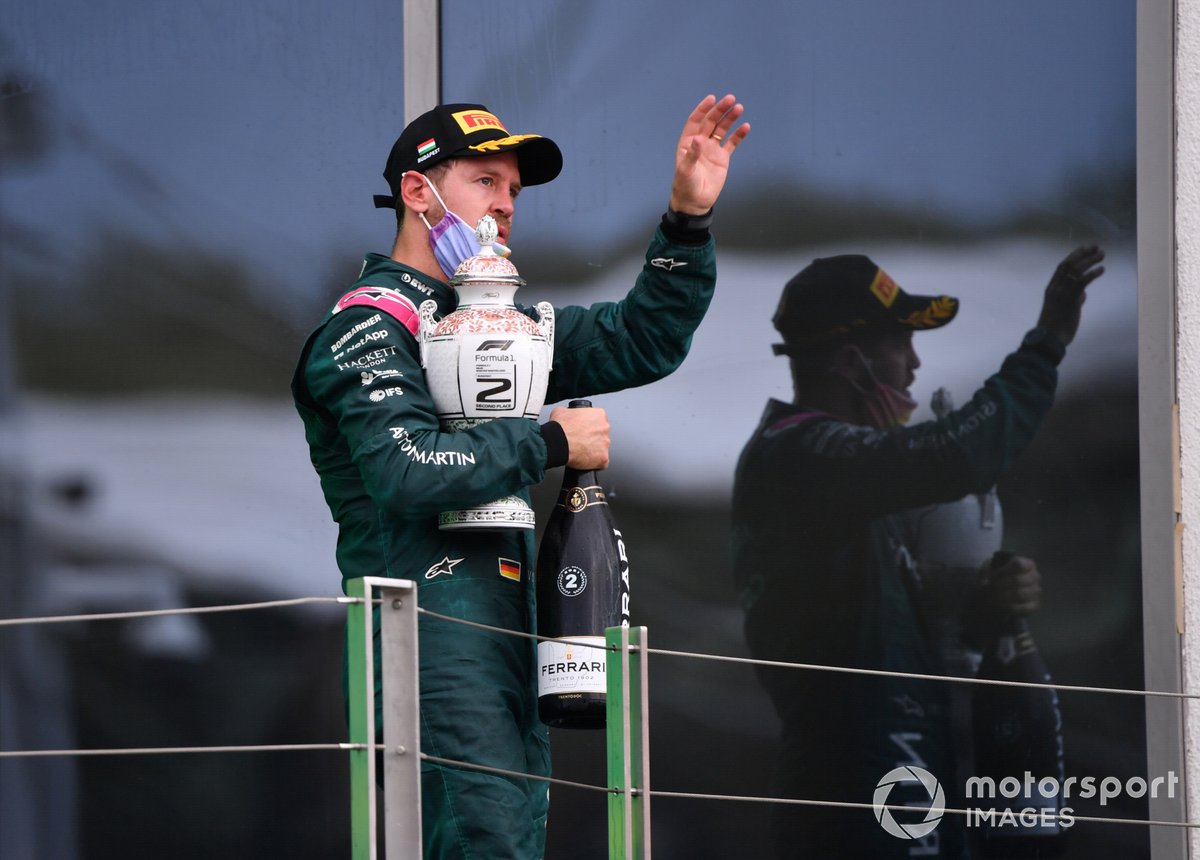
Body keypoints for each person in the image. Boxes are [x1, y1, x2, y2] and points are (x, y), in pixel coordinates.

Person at [292, 95, 749, 859]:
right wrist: (546, 443)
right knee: (483, 842)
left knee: (509, 836)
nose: (505, 205)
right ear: (418, 191)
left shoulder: (502, 322)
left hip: (508, 631)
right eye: (484, 181)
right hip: (424, 638)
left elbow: (643, 338)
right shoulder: (367, 326)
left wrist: (686, 221)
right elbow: (405, 471)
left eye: (514, 190)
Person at [730, 247, 1104, 858]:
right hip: (856, 794)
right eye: (901, 346)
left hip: (895, 779)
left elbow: (898, 641)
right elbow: (956, 454)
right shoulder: (799, 456)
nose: (914, 366)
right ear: (854, 363)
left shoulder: (835, 476)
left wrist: (982, 611)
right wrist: (1046, 344)